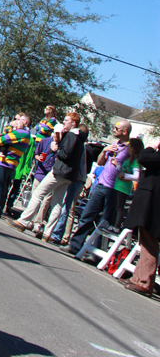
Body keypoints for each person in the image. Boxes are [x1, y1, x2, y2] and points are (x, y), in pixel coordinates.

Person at [10, 112, 86, 239]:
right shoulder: (80, 138)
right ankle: (48, 232)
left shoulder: (72, 135)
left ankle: (24, 220)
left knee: (39, 193)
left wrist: (56, 149)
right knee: (57, 202)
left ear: (74, 123)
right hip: (69, 176)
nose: (64, 122)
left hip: (60, 171)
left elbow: (65, 154)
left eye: (67, 120)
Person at [61, 120, 131, 256]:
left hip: (114, 189)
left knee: (105, 221)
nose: (114, 130)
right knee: (86, 216)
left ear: (125, 131)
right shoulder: (114, 145)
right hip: (100, 185)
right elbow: (100, 163)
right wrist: (105, 151)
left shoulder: (130, 149)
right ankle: (75, 246)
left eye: (117, 128)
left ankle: (96, 253)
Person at [123, 144, 160, 297]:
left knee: (149, 241)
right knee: (144, 240)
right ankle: (137, 278)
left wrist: (151, 148)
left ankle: (144, 282)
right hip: (149, 201)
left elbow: (144, 158)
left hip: (153, 203)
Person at [0, 114, 32, 217]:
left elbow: (0, 140)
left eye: (20, 119)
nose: (17, 121)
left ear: (25, 123)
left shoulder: (22, 133)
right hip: (8, 162)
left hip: (6, 161)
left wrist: (10, 125)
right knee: (2, 185)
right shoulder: (22, 133)